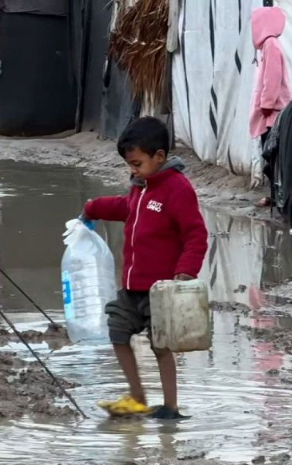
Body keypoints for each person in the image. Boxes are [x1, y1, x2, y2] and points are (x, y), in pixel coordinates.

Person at [83, 117, 209, 420]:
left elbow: (196, 235)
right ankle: (137, 397)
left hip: (161, 289)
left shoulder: (177, 189)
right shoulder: (141, 187)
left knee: (161, 345)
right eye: (130, 164)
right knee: (117, 331)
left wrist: (185, 272)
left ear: (160, 157)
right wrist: (93, 207)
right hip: (131, 285)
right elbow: (126, 208)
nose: (133, 169)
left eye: (137, 163)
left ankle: (170, 407)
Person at [249, 6, 292, 207]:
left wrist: (266, 104)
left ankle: (278, 196)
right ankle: (275, 195)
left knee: (273, 155)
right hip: (269, 112)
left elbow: (272, 78)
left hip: (272, 113)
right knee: (272, 156)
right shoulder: (268, 45)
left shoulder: (271, 45)